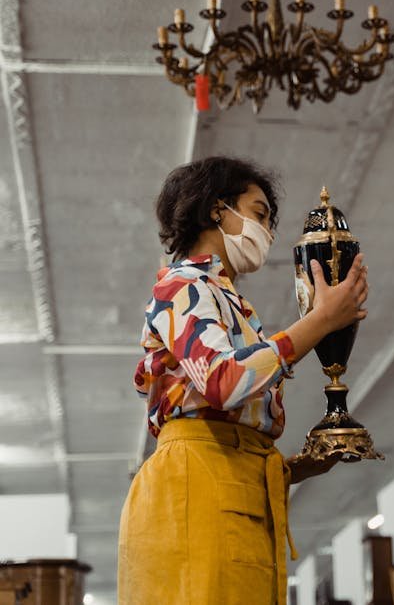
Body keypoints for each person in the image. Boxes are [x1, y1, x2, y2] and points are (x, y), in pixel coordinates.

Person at [118, 156, 368, 605]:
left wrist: (300, 467)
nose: (267, 233)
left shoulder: (232, 304)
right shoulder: (182, 286)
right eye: (258, 213)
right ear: (217, 209)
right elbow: (221, 382)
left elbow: (231, 429)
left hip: (236, 483)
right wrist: (321, 321)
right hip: (197, 486)